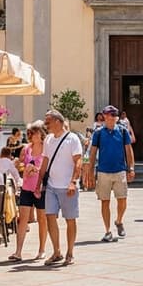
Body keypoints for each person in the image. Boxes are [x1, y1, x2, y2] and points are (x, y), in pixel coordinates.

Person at [36, 108, 83, 267]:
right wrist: (38, 184)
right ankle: (57, 252)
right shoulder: (48, 139)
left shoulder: (72, 139)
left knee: (70, 219)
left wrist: (73, 182)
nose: (46, 125)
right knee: (50, 217)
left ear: (57, 121)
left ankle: (70, 253)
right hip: (51, 186)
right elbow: (45, 163)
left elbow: (78, 161)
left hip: (67, 187)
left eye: (48, 122)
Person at [86, 104, 134, 242]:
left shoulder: (123, 131)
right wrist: (90, 170)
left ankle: (119, 221)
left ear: (117, 117)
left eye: (113, 115)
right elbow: (93, 152)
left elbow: (128, 150)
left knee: (122, 199)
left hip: (120, 170)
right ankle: (107, 231)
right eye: (107, 115)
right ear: (104, 117)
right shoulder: (98, 133)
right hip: (103, 172)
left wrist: (131, 168)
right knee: (104, 202)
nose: (110, 118)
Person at [9, 121, 48, 262]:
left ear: (41, 133)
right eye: (31, 133)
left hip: (41, 188)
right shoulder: (26, 149)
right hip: (26, 187)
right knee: (23, 220)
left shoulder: (47, 149)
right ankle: (18, 252)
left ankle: (42, 250)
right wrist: (24, 168)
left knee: (42, 219)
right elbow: (20, 165)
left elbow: (48, 168)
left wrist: (37, 170)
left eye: (35, 132)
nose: (32, 135)